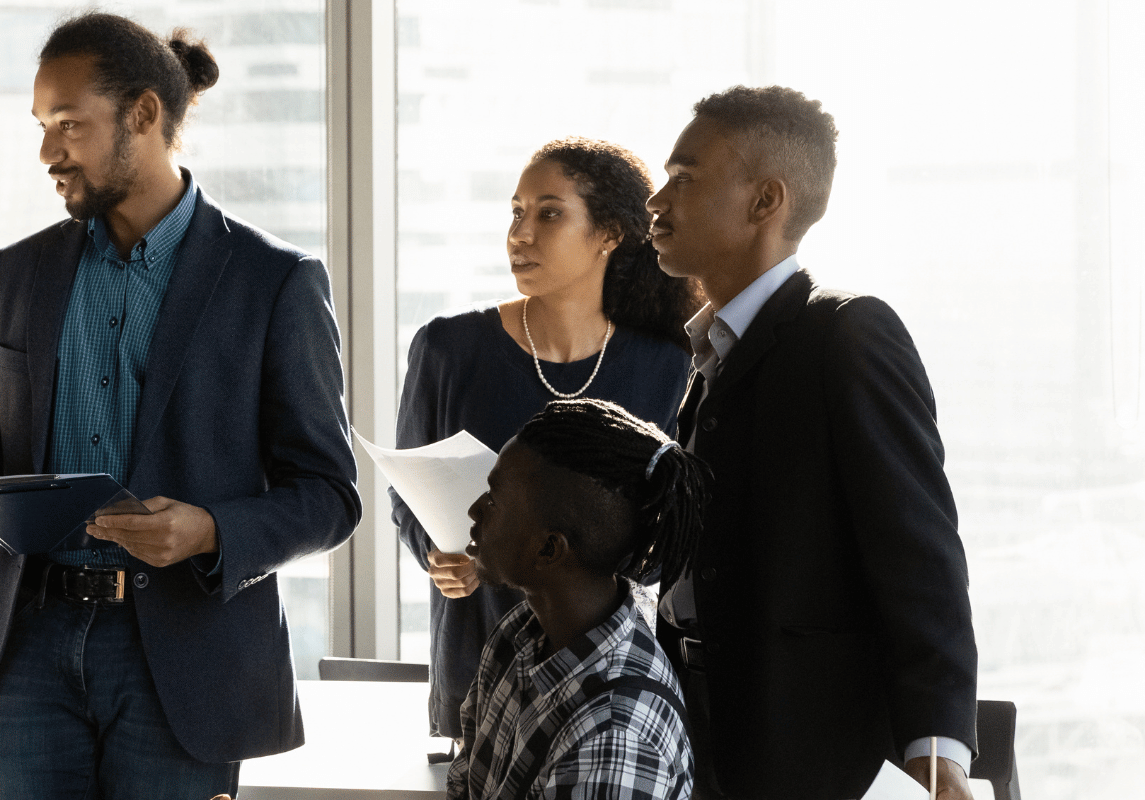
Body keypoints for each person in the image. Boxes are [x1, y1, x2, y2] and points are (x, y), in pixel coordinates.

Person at [0, 12, 359, 798]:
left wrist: (207, 529)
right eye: (41, 126)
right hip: (29, 644)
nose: (47, 152)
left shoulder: (274, 281)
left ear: (143, 116)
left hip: (185, 657)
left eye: (69, 125)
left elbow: (330, 495)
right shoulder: (20, 272)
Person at [646, 85, 978, 799]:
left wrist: (937, 753)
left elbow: (920, 556)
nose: (657, 200)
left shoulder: (848, 333)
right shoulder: (710, 352)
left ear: (766, 200)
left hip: (806, 748)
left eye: (684, 177)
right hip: (691, 728)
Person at [393, 137, 699, 736]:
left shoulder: (668, 364)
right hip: (474, 671)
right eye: (516, 212)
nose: (520, 233)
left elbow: (672, 524)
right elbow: (408, 494)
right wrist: (436, 555)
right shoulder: (448, 348)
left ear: (609, 232)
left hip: (611, 685)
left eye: (548, 213)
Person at [448, 398, 702, 799]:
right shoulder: (516, 635)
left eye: (494, 500)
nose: (474, 511)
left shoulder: (616, 736)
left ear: (549, 550)